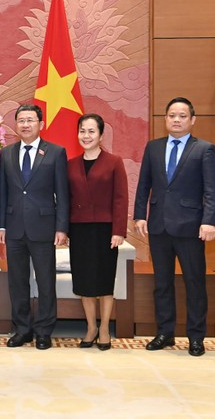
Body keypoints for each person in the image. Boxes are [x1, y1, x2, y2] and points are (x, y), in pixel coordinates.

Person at [134, 97, 215, 357]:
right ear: (165, 119)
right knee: (162, 283)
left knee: (194, 283)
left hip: (192, 227)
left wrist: (209, 221)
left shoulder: (204, 149)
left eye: (182, 115)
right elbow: (143, 185)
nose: (176, 120)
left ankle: (196, 336)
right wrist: (140, 216)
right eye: (172, 115)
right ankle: (165, 332)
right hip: (159, 226)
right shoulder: (153, 147)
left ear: (192, 120)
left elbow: (212, 190)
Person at [0, 103, 68, 350]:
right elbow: (2, 193)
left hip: (44, 227)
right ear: (15, 125)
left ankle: (44, 331)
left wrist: (61, 227)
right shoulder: (6, 153)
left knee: (46, 282)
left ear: (41, 124)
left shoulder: (56, 152)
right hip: (14, 227)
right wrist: (1, 226)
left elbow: (63, 193)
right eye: (21, 121)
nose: (25, 125)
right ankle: (22, 329)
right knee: (17, 282)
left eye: (30, 120)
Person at [67, 113, 128, 351]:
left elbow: (121, 198)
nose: (86, 135)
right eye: (82, 131)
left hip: (105, 230)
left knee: (103, 280)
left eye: (92, 131)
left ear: (101, 135)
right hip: (79, 229)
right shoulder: (70, 164)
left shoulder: (114, 161)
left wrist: (119, 231)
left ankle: (104, 329)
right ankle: (90, 327)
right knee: (83, 281)